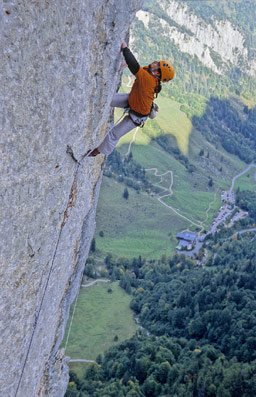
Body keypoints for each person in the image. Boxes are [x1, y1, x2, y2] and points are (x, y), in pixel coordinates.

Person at [87, 41, 175, 157]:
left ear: (158, 74)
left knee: (114, 135)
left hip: (137, 116)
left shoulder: (149, 80)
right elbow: (136, 67)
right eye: (158, 62)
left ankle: (95, 153)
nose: (155, 63)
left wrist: (124, 48)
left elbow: (135, 66)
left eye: (158, 65)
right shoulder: (149, 72)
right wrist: (125, 65)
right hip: (132, 100)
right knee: (107, 99)